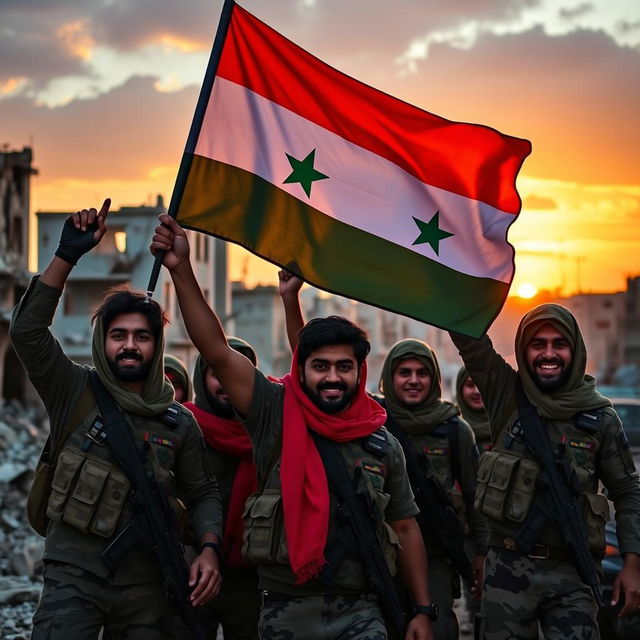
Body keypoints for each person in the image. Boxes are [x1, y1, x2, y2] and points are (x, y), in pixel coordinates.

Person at [151, 214, 435, 640]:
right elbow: (216, 348)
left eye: (343, 367)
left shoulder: (381, 443)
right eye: (319, 367)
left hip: (362, 611)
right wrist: (181, 269)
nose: (332, 377)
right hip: (285, 610)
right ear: (300, 371)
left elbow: (407, 527)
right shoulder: (277, 415)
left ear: (361, 372)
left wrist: (423, 610)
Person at [10, 200, 223, 639]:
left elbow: (202, 492)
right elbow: (27, 332)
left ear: (157, 345)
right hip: (73, 577)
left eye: (142, 337)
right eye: (118, 336)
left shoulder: (177, 422)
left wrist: (208, 549)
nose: (130, 346)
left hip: (146, 584)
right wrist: (66, 255)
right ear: (102, 341)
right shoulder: (74, 390)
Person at [450, 303, 640, 639]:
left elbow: (627, 492)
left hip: (573, 572)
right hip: (506, 570)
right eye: (538, 344)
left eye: (559, 344)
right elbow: (471, 344)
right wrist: (449, 283)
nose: (548, 353)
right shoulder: (505, 395)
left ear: (575, 349)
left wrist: (632, 563)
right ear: (524, 350)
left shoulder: (600, 419)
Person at [377, 341, 488, 640]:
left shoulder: (455, 430)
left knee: (436, 629)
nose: (414, 380)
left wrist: (481, 554)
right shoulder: (373, 421)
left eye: (423, 373)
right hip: (379, 554)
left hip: (435, 556)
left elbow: (475, 497)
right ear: (389, 377)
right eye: (404, 372)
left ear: (434, 379)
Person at [176, 339, 261, 640]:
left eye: (238, 372)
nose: (228, 382)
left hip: (250, 579)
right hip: (188, 571)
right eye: (217, 373)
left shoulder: (267, 434)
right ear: (201, 377)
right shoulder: (181, 427)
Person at [454, 367, 491, 636]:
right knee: (475, 588)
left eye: (480, 383)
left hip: (506, 530)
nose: (476, 390)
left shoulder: (510, 426)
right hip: (467, 526)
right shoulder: (453, 429)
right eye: (468, 384)